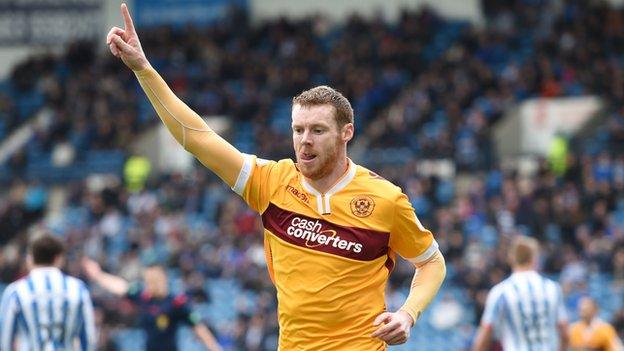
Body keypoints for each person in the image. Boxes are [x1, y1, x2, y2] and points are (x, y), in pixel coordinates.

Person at [106, 3, 446, 350]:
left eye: (317, 130)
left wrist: (408, 313)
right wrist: (144, 69)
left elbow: (431, 262)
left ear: (347, 133)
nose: (304, 140)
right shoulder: (271, 182)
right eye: (298, 129)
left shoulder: (385, 199)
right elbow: (196, 137)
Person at [81, 258, 222, 351]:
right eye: (147, 280)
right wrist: (98, 275)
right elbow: (121, 287)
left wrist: (215, 348)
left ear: (163, 278)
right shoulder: (144, 298)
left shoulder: (176, 303)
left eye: (153, 279)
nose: (149, 283)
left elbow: (198, 327)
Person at [0, 235, 96, 351]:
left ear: (30, 259)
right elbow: (89, 339)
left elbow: (5, 339)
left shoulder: (16, 292)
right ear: (59, 258)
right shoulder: (79, 289)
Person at [472, 235, 568, 351]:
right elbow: (564, 332)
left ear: (511, 258)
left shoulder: (501, 292)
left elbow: (485, 334)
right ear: (535, 258)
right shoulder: (552, 289)